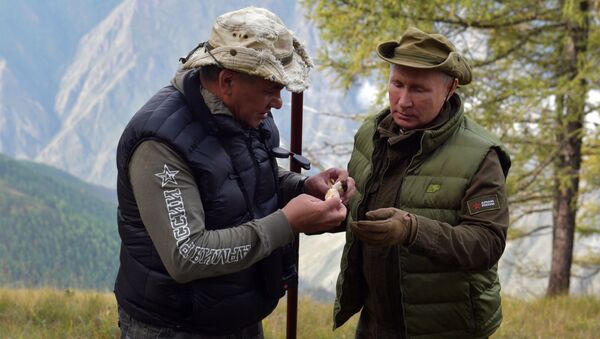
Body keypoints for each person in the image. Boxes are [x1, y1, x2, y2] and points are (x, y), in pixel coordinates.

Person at [114, 7, 354, 338]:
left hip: (236, 318)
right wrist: (287, 223)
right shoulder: (159, 145)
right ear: (227, 81)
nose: (279, 102)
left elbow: (245, 178)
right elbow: (188, 254)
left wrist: (302, 188)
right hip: (172, 327)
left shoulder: (244, 112)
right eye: (271, 88)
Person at [333, 27, 511, 338]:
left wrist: (412, 230)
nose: (403, 101)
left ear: (450, 88)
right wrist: (338, 202)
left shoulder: (480, 155)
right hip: (375, 322)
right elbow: (361, 211)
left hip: (445, 327)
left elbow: (486, 243)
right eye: (397, 84)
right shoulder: (370, 135)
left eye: (419, 89)